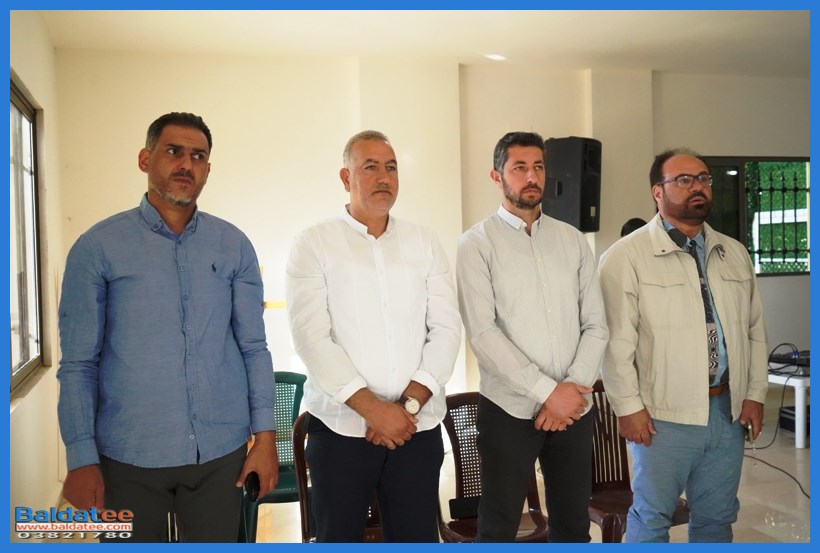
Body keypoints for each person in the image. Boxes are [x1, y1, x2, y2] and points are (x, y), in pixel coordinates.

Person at [57, 112, 278, 542]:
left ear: (208, 169)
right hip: (128, 456)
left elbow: (253, 346)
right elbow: (80, 363)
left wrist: (266, 439)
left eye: (198, 156)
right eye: (173, 151)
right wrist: (80, 457)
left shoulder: (233, 245)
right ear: (145, 159)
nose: (186, 165)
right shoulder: (98, 247)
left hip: (219, 455)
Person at [286, 130, 461, 542]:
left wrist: (407, 406)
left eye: (391, 167)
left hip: (416, 429)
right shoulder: (313, 244)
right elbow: (312, 338)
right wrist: (375, 411)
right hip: (342, 432)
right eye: (370, 167)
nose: (384, 177)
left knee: (416, 539)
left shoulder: (424, 242)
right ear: (345, 177)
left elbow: (447, 328)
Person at [598, 148, 768, 542]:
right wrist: (628, 407)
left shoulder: (734, 253)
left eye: (704, 178)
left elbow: (754, 332)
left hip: (726, 412)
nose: (698, 187)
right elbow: (615, 343)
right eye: (684, 180)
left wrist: (755, 394)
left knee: (716, 518)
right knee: (652, 519)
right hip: (663, 416)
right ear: (657, 191)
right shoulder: (626, 256)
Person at [456, 131, 609, 542]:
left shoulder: (572, 240)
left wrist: (571, 390)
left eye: (538, 167)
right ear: (497, 176)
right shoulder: (476, 244)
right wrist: (547, 392)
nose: (531, 176)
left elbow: (596, 324)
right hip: (508, 410)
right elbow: (483, 333)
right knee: (499, 527)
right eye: (519, 167)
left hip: (573, 410)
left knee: (573, 526)